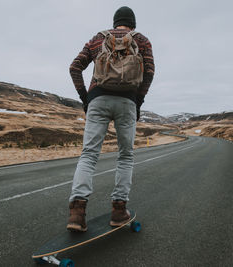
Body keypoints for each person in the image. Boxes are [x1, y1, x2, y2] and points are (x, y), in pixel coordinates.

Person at [67, 6, 155, 231]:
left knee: (89, 155)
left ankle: (77, 214)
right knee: (125, 156)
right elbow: (150, 73)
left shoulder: (98, 39)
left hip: (98, 99)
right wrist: (138, 101)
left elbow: (75, 67)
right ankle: (118, 211)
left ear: (115, 22)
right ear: (132, 24)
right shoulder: (142, 41)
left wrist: (86, 99)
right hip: (127, 102)